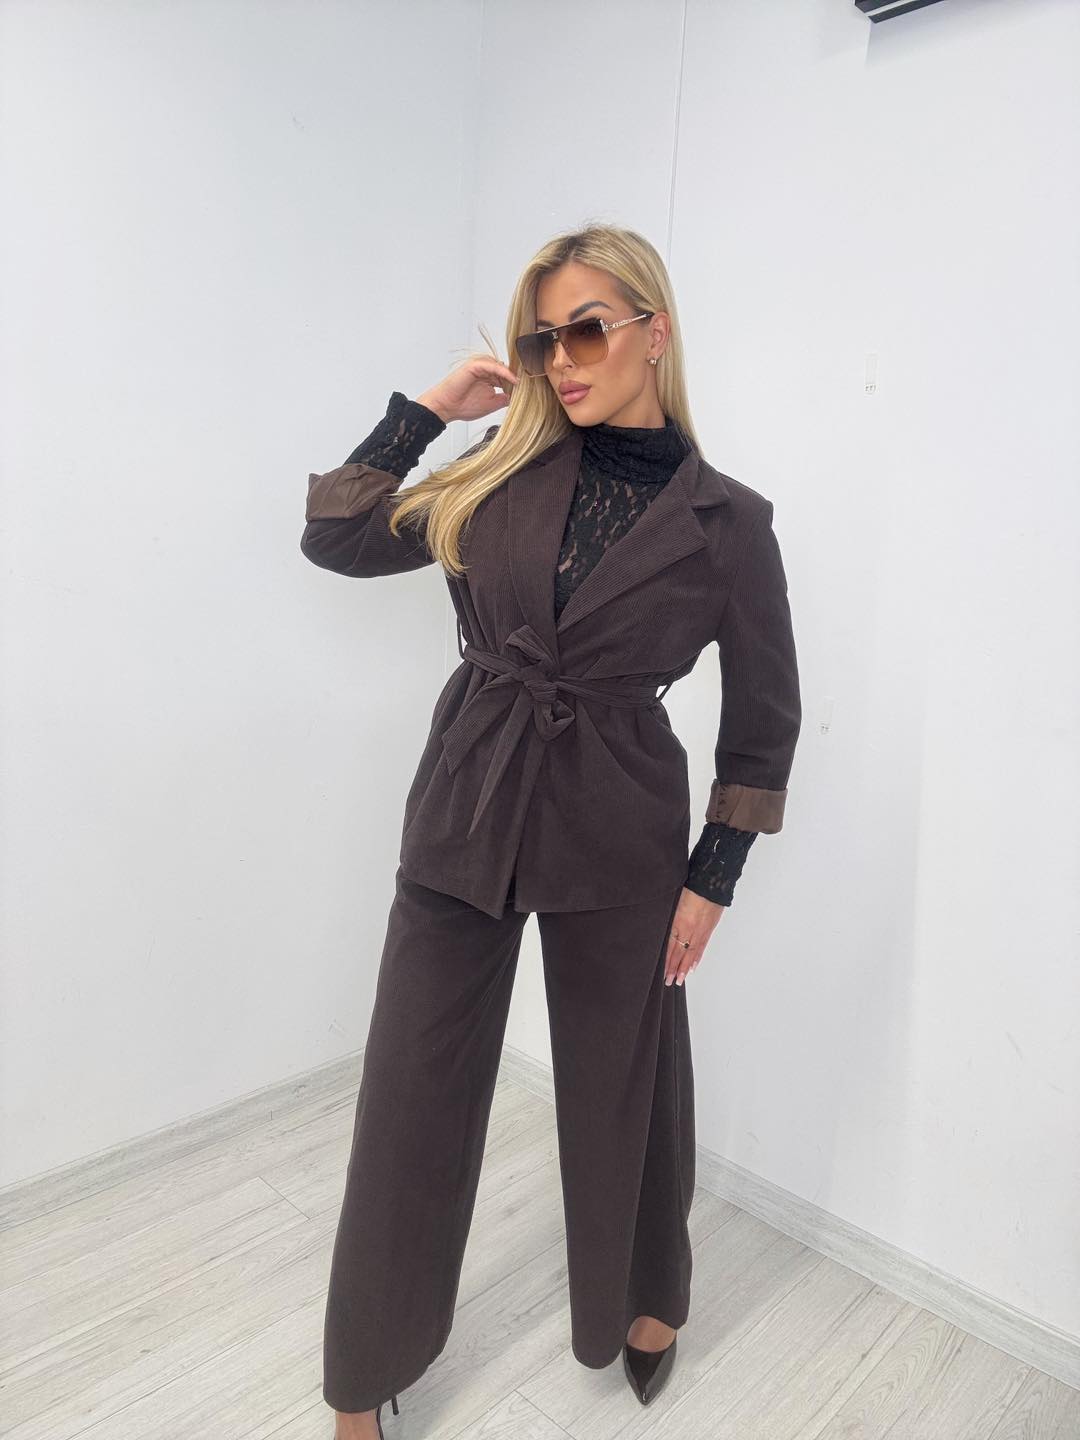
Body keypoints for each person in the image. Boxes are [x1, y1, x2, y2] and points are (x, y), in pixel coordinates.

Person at [300, 223, 801, 1440]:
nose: (561, 360)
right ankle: (364, 1375)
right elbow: (338, 535)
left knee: (626, 1079)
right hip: (468, 797)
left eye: (586, 330)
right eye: (542, 340)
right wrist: (430, 410)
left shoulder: (730, 524)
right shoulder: (503, 465)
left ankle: (647, 1297)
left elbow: (765, 719)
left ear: (653, 332)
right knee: (412, 1092)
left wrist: (714, 876)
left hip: (622, 823)